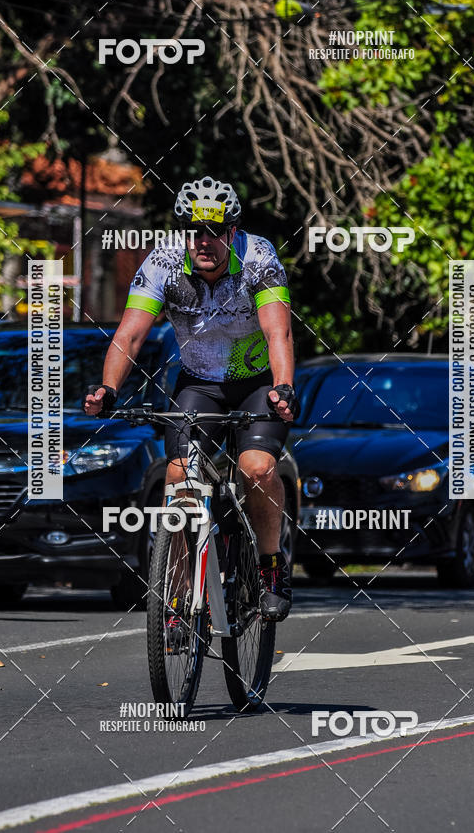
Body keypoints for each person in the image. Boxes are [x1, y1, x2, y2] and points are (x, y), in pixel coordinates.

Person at [84, 176, 299, 620]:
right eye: (194, 231)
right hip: (199, 382)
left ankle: (271, 567)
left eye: (214, 231)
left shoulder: (259, 258)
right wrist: (108, 387)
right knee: (180, 478)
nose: (204, 241)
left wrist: (282, 386)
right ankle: (181, 592)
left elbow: (279, 331)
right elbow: (131, 334)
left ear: (232, 232)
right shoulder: (163, 261)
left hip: (257, 381)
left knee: (256, 468)